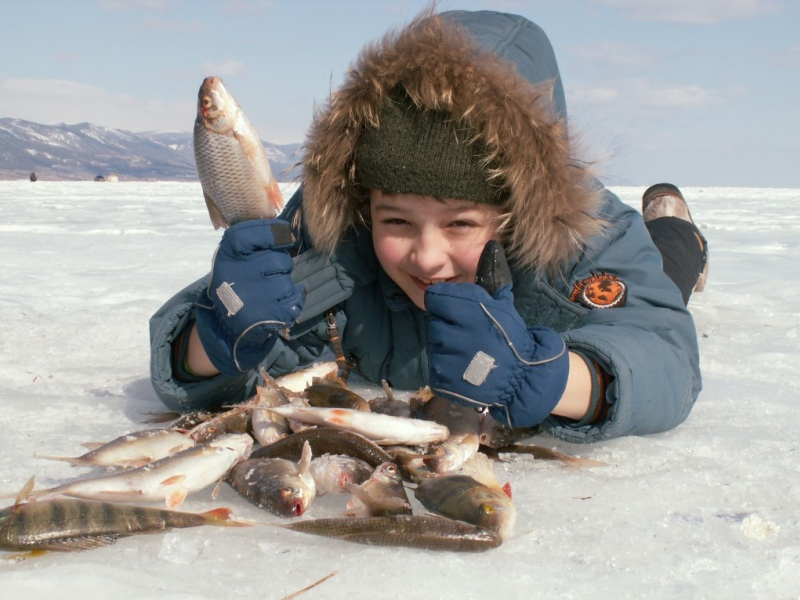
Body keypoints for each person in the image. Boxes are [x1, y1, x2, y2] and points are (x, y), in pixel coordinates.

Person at [149, 9, 708, 443]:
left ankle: (679, 230)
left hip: (632, 269)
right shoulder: (329, 227)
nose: (426, 256)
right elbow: (195, 342)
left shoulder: (589, 232)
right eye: (397, 220)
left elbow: (665, 355)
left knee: (670, 267)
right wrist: (214, 341)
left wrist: (554, 379)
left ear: (513, 211)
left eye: (461, 223)